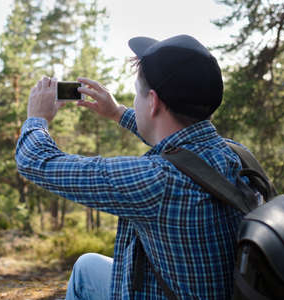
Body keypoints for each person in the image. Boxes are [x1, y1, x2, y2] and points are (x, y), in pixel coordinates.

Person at [15, 34, 246, 299]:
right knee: (86, 267)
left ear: (154, 102)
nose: (135, 101)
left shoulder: (157, 181)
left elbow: (36, 161)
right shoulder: (234, 155)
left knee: (83, 276)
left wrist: (37, 118)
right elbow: (177, 144)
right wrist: (117, 112)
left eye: (137, 93)